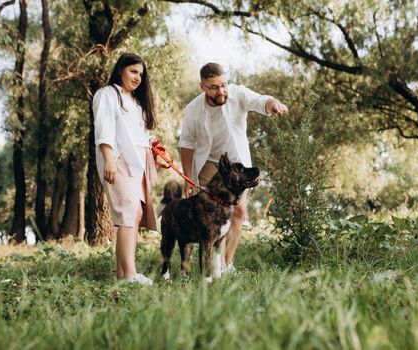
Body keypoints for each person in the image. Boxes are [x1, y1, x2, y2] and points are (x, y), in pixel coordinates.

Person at [179, 63, 288, 273]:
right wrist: (187, 178)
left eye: (223, 85)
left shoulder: (237, 94)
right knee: (198, 212)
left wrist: (274, 104)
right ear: (202, 87)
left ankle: (225, 264)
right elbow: (187, 144)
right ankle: (186, 266)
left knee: (238, 211)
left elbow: (261, 101)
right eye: (213, 87)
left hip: (236, 162)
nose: (221, 91)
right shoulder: (193, 109)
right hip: (209, 161)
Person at [93, 53, 158, 285]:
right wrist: (108, 159)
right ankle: (130, 274)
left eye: (141, 74)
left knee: (136, 214)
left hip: (138, 162)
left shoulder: (137, 103)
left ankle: (122, 276)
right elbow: (104, 128)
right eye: (133, 71)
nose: (137, 77)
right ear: (121, 69)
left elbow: (138, 135)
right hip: (118, 160)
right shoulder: (107, 94)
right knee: (127, 213)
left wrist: (153, 148)